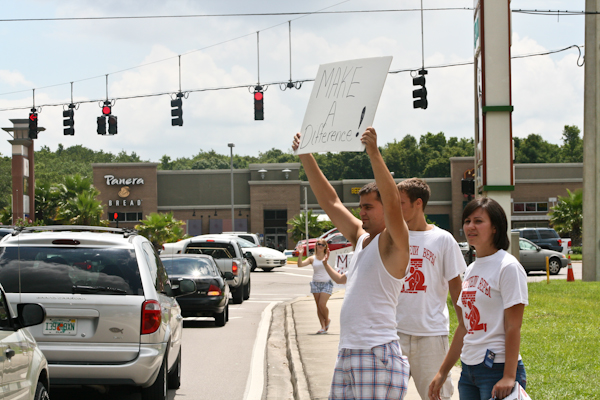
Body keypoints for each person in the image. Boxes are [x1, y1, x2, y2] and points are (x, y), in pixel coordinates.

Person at [292, 127, 411, 400]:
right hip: (349, 350)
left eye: (369, 207)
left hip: (376, 352)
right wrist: (306, 156)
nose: (361, 211)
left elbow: (392, 201)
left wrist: (373, 153)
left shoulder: (394, 243)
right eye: (360, 206)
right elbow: (331, 201)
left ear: (385, 211)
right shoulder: (360, 238)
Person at [428, 197, 528, 400]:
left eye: (478, 221)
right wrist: (443, 372)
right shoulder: (472, 269)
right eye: (467, 221)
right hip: (468, 371)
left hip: (496, 369)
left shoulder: (508, 266)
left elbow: (513, 326)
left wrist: (509, 376)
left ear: (495, 228)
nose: (470, 226)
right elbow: (465, 326)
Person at [395, 178, 466, 400]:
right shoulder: (392, 237)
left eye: (401, 203)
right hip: (393, 333)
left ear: (418, 203)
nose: (395, 208)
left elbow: (456, 288)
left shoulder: (443, 239)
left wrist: (465, 326)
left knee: (436, 396)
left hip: (431, 335)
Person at [297, 237, 334, 334]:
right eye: (318, 244)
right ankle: (322, 326)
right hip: (315, 283)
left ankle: (327, 320)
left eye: (322, 245)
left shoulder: (328, 256)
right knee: (318, 306)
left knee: (322, 304)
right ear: (316, 246)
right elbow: (300, 265)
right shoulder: (312, 258)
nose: (320, 246)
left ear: (325, 247)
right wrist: (300, 254)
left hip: (327, 283)